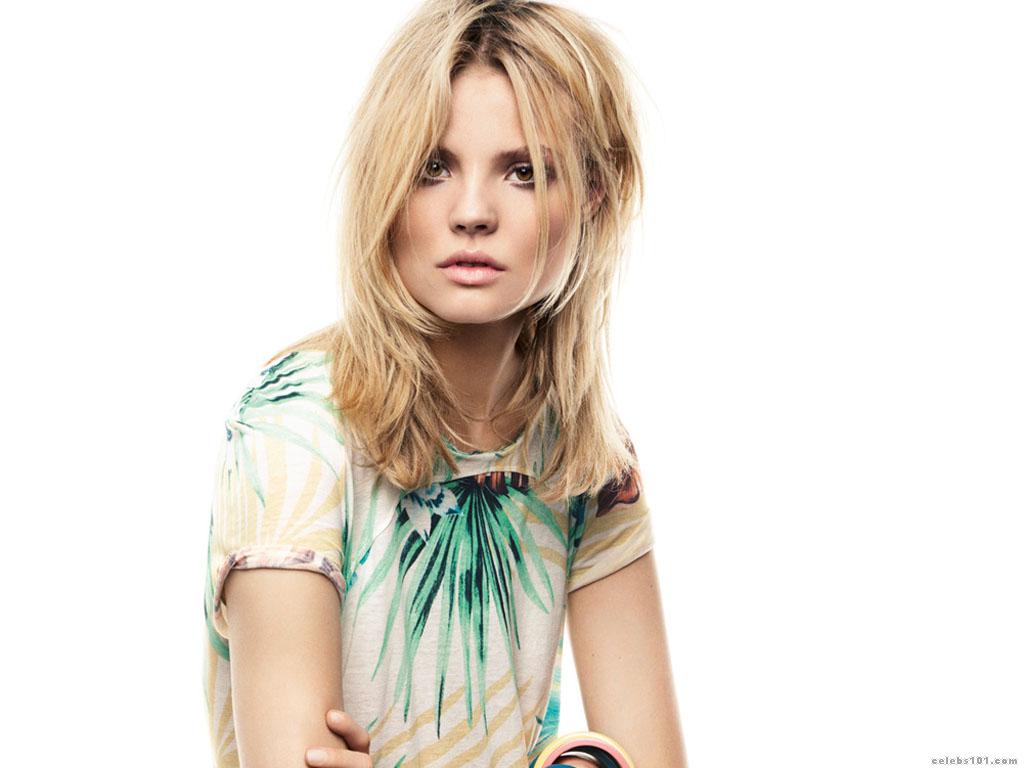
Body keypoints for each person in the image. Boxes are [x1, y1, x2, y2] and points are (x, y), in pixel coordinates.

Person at [201, 1, 688, 766]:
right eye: (433, 167)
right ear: (386, 183)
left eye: (524, 172)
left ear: (594, 193)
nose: (472, 213)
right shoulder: (295, 426)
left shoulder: (586, 453)